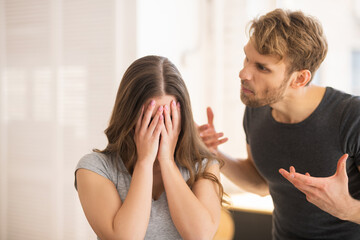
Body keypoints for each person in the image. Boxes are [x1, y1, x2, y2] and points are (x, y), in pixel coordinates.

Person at [198, 8, 360, 239]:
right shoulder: (257, 109)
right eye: (247, 58)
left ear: (300, 78)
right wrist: (214, 153)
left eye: (262, 67)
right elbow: (261, 185)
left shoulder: (352, 117)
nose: (243, 73)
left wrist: (349, 209)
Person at [75, 55, 225, 240]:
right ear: (129, 116)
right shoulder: (95, 168)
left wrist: (167, 161)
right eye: (151, 120)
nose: (160, 130)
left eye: (168, 118)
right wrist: (144, 162)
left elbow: (200, 236)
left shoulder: (203, 165)